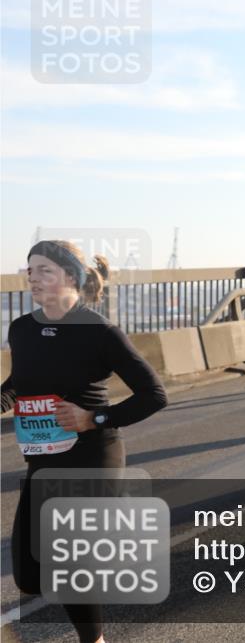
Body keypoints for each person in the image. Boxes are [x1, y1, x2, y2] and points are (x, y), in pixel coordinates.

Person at [2, 240, 167, 643]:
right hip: (43, 453)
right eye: (30, 269)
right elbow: (19, 384)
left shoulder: (99, 331)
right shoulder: (22, 329)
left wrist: (93, 417)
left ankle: (94, 640)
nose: (33, 278)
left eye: (44, 270)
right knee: (27, 570)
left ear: (70, 277)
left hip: (93, 453)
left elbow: (154, 394)